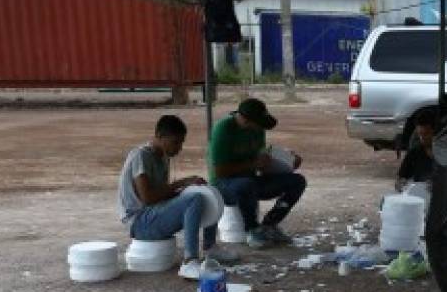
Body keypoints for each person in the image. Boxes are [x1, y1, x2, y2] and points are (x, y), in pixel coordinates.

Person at [118, 114, 238, 281]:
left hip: (154, 213)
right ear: (160, 136)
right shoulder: (140, 155)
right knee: (194, 198)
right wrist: (182, 183)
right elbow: (148, 198)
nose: (179, 148)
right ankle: (190, 261)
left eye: (181, 143)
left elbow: (163, 195)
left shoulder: (163, 158)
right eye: (176, 142)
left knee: (207, 193)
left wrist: (188, 188)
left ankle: (210, 247)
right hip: (139, 222)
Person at [209, 98, 307, 248]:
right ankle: (252, 229)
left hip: (250, 180)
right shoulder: (223, 128)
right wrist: (253, 164)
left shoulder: (258, 129)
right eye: (258, 124)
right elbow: (220, 171)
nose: (261, 128)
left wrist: (286, 162)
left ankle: (269, 225)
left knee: (297, 181)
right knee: (245, 184)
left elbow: (261, 162)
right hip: (224, 184)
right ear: (246, 120)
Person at [395, 107, 436, 191]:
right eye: (420, 134)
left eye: (426, 134)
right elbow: (401, 178)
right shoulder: (414, 152)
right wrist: (401, 183)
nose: (422, 138)